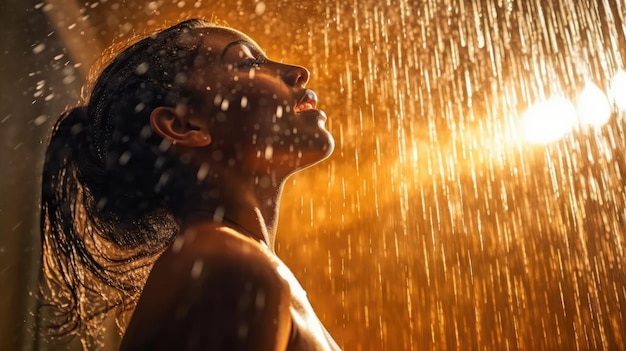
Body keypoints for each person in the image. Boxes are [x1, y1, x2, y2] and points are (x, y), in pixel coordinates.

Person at [39, 18, 340, 350]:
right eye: (247, 61)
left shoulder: (230, 262)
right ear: (183, 124)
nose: (298, 72)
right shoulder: (227, 266)